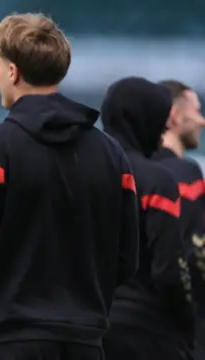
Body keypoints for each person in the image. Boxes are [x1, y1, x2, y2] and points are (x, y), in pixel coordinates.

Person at [0, 13, 139, 360]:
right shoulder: (111, 153)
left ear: (12, 72)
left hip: (7, 337)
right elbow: (127, 258)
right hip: (85, 340)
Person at [101, 76, 193, 360]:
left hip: (88, 327)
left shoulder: (81, 171)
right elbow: (168, 271)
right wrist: (189, 321)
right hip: (146, 330)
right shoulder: (156, 180)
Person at [153, 80, 205, 359]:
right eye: (196, 111)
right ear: (174, 116)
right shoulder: (186, 174)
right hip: (179, 325)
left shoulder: (128, 170)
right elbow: (196, 251)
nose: (202, 120)